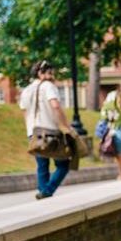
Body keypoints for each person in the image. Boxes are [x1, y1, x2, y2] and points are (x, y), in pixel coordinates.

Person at [18, 60, 75, 199]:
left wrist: (30, 129)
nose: (52, 75)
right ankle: (47, 191)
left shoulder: (26, 90)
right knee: (63, 164)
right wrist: (66, 126)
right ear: (40, 73)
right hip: (50, 132)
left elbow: (24, 111)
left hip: (33, 132)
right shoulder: (48, 86)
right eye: (49, 72)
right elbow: (55, 105)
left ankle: (43, 193)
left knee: (42, 165)